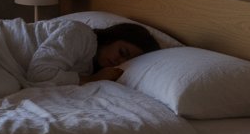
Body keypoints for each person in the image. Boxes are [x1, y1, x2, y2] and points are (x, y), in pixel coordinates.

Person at [25, 19, 162, 87]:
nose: (119, 61)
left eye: (127, 61)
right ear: (111, 39)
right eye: (122, 52)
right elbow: (38, 74)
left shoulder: (90, 65)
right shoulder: (80, 34)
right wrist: (92, 79)